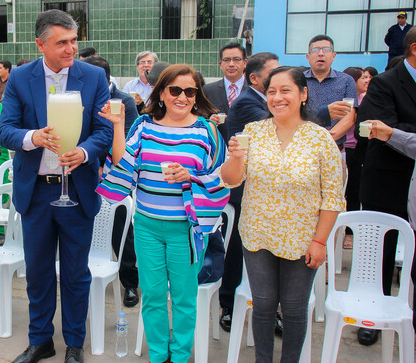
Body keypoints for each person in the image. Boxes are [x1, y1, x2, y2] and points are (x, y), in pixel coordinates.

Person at [0, 9, 113, 363]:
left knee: (76, 273)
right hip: (37, 191)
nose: (70, 48)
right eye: (62, 42)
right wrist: (33, 137)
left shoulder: (92, 76)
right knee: (39, 272)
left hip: (76, 191)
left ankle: (74, 344)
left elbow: (104, 130)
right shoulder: (20, 78)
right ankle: (40, 341)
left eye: (74, 40)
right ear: (41, 44)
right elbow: (5, 131)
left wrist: (84, 151)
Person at [97, 64, 228, 363]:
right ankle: (158, 356)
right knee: (153, 298)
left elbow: (221, 178)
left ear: (197, 95)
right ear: (162, 93)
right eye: (175, 90)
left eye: (190, 91)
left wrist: (191, 177)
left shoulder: (207, 130)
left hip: (187, 229)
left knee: (184, 298)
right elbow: (123, 165)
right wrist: (118, 125)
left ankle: (180, 357)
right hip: (147, 227)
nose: (182, 96)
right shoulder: (144, 125)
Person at [220, 66, 345, 362]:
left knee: (293, 307)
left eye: (285, 90)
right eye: (272, 91)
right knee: (262, 305)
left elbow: (333, 198)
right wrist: (236, 157)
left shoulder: (320, 139)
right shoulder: (253, 132)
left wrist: (320, 241)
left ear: (303, 94)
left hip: (302, 238)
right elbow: (230, 178)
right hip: (258, 233)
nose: (277, 97)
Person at [355, 26, 416, 345]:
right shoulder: (384, 83)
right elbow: (376, 128)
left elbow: (393, 128)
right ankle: (372, 316)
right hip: (388, 179)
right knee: (379, 253)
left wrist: (398, 130)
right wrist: (396, 131)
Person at [219, 52, 279, 333]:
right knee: (238, 251)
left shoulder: (266, 100)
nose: (279, 77)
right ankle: (229, 304)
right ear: (255, 78)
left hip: (269, 193)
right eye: (273, 72)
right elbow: (276, 129)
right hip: (244, 191)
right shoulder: (247, 103)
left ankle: (267, 306)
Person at [82, 55, 140, 308]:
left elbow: (127, 138)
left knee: (121, 230)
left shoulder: (123, 101)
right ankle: (84, 278)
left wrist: (104, 163)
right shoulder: (81, 98)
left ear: (104, 78)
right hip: (85, 170)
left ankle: (129, 283)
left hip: (114, 175)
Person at [303, 35, 357, 147]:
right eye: (315, 50)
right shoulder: (298, 80)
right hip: (303, 144)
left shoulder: (346, 80)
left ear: (334, 55)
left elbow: (349, 117)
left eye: (326, 49)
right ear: (308, 56)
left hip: (335, 145)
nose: (321, 53)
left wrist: (327, 139)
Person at [341, 67, 368, 247]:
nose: (366, 80)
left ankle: (350, 231)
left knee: (354, 191)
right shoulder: (346, 102)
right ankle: (347, 232)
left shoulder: (365, 99)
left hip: (357, 149)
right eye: (363, 77)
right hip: (346, 149)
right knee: (348, 191)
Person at [204, 42, 248, 141]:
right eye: (226, 60)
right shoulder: (208, 90)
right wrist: (209, 121)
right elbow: (200, 119)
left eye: (236, 59)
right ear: (220, 64)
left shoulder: (253, 90)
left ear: (245, 63)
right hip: (219, 147)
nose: (231, 64)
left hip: (247, 146)